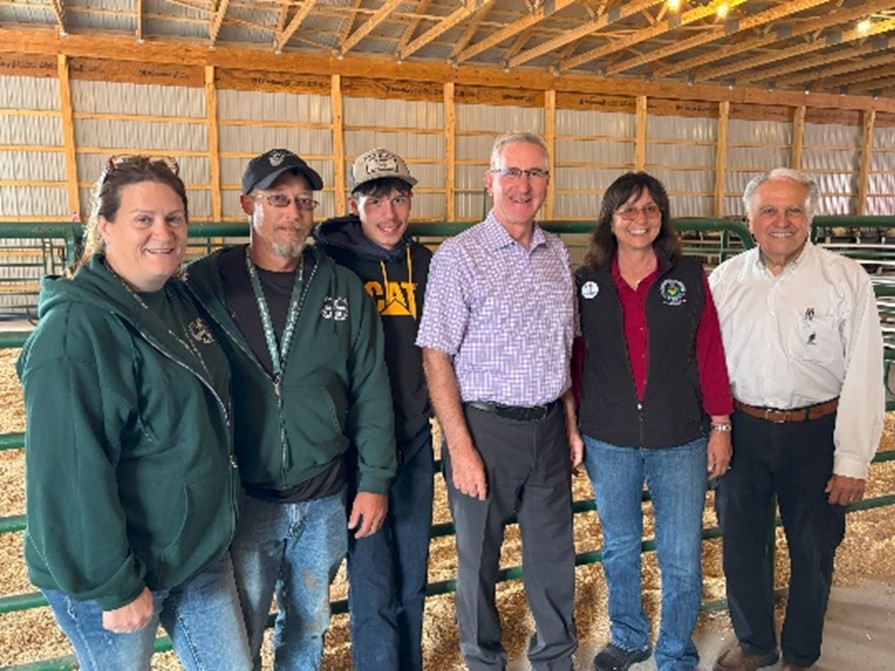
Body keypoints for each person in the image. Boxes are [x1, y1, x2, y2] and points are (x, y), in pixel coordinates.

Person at [17, 155, 251, 670]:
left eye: (174, 218)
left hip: (192, 551)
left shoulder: (176, 301)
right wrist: (114, 584)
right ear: (104, 227)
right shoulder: (76, 332)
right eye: (142, 219)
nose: (162, 233)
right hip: (117, 570)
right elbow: (69, 474)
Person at [184, 148, 397, 670]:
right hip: (246, 497)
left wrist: (374, 480)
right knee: (243, 628)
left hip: (324, 494)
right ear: (247, 204)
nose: (293, 212)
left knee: (309, 623)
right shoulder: (204, 285)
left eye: (304, 201)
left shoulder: (340, 287)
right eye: (278, 198)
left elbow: (371, 386)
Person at [416, 131, 581, 671]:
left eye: (534, 174)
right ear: (489, 181)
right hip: (485, 430)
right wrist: (460, 447)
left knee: (554, 555)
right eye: (511, 173)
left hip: (550, 427)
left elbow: (566, 349)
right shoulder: (459, 257)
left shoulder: (558, 254)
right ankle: (483, 660)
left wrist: (572, 426)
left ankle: (555, 658)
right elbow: (436, 356)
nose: (522, 185)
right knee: (477, 560)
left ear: (547, 185)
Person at [709, 168, 884, 671]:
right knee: (741, 541)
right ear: (749, 219)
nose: (780, 221)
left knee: (813, 546)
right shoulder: (726, 280)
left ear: (811, 217)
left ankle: (801, 652)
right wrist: (716, 429)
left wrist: (852, 456)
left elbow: (865, 371)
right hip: (743, 428)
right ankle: (755, 642)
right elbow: (710, 366)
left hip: (817, 430)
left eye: (793, 211)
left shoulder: (845, 278)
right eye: (769, 210)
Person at [573, 172, 733, 671]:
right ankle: (628, 635)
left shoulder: (688, 277)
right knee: (619, 548)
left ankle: (675, 652)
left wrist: (720, 426)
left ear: (662, 217)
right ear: (611, 219)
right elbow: (577, 359)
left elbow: (709, 353)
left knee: (681, 555)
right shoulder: (588, 282)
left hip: (680, 437)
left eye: (650, 210)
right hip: (609, 438)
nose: (639, 220)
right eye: (628, 210)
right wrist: (573, 427)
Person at [314, 147, 434, 671]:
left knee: (413, 572)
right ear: (352, 203)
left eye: (400, 199)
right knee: (373, 577)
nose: (390, 213)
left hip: (414, 437)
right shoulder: (328, 265)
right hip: (358, 449)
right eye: (376, 199)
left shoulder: (424, 263)